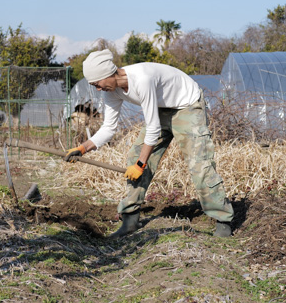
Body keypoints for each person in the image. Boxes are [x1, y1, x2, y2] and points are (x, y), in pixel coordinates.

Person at [64, 49, 234, 238]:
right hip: (162, 108)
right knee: (135, 156)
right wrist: (83, 148)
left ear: (108, 74)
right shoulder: (111, 91)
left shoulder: (142, 79)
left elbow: (153, 129)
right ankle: (130, 219)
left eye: (97, 83)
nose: (98, 89)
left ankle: (223, 220)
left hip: (186, 105)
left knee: (199, 163)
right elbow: (108, 128)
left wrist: (140, 164)